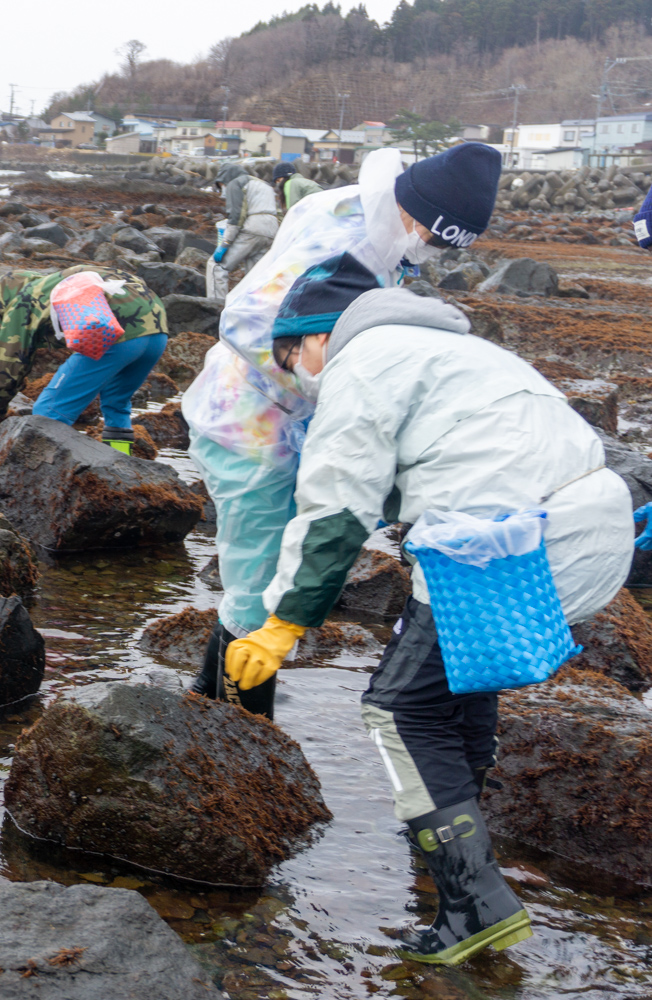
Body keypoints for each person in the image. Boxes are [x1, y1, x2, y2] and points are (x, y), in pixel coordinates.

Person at [224, 256, 630, 965]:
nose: (300, 377)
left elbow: (336, 510)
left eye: (294, 360)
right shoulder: (449, 349)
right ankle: (450, 843)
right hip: (586, 528)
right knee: (459, 690)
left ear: (319, 338)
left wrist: (283, 623)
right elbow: (417, 468)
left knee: (399, 708)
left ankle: (475, 902)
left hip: (507, 545)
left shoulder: (363, 363)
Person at [184, 142, 502, 719]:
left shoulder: (370, 219)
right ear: (412, 208)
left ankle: (202, 710)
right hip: (249, 423)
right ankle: (244, 735)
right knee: (257, 588)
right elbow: (248, 320)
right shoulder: (341, 238)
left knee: (268, 572)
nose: (429, 251)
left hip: (297, 426)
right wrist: (336, 387)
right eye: (431, 236)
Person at [0, 264, 168, 453]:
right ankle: (121, 463)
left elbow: (9, 364)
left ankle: (38, 478)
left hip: (118, 336)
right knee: (116, 404)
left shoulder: (23, 300)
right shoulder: (57, 282)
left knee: (48, 412)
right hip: (157, 330)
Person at [206, 160, 280, 302]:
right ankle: (254, 310)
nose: (223, 189)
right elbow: (279, 213)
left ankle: (215, 308)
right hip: (271, 230)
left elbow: (236, 216)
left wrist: (225, 244)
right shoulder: (264, 185)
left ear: (226, 178)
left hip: (253, 228)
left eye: (222, 185)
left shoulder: (236, 183)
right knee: (256, 276)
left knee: (216, 266)